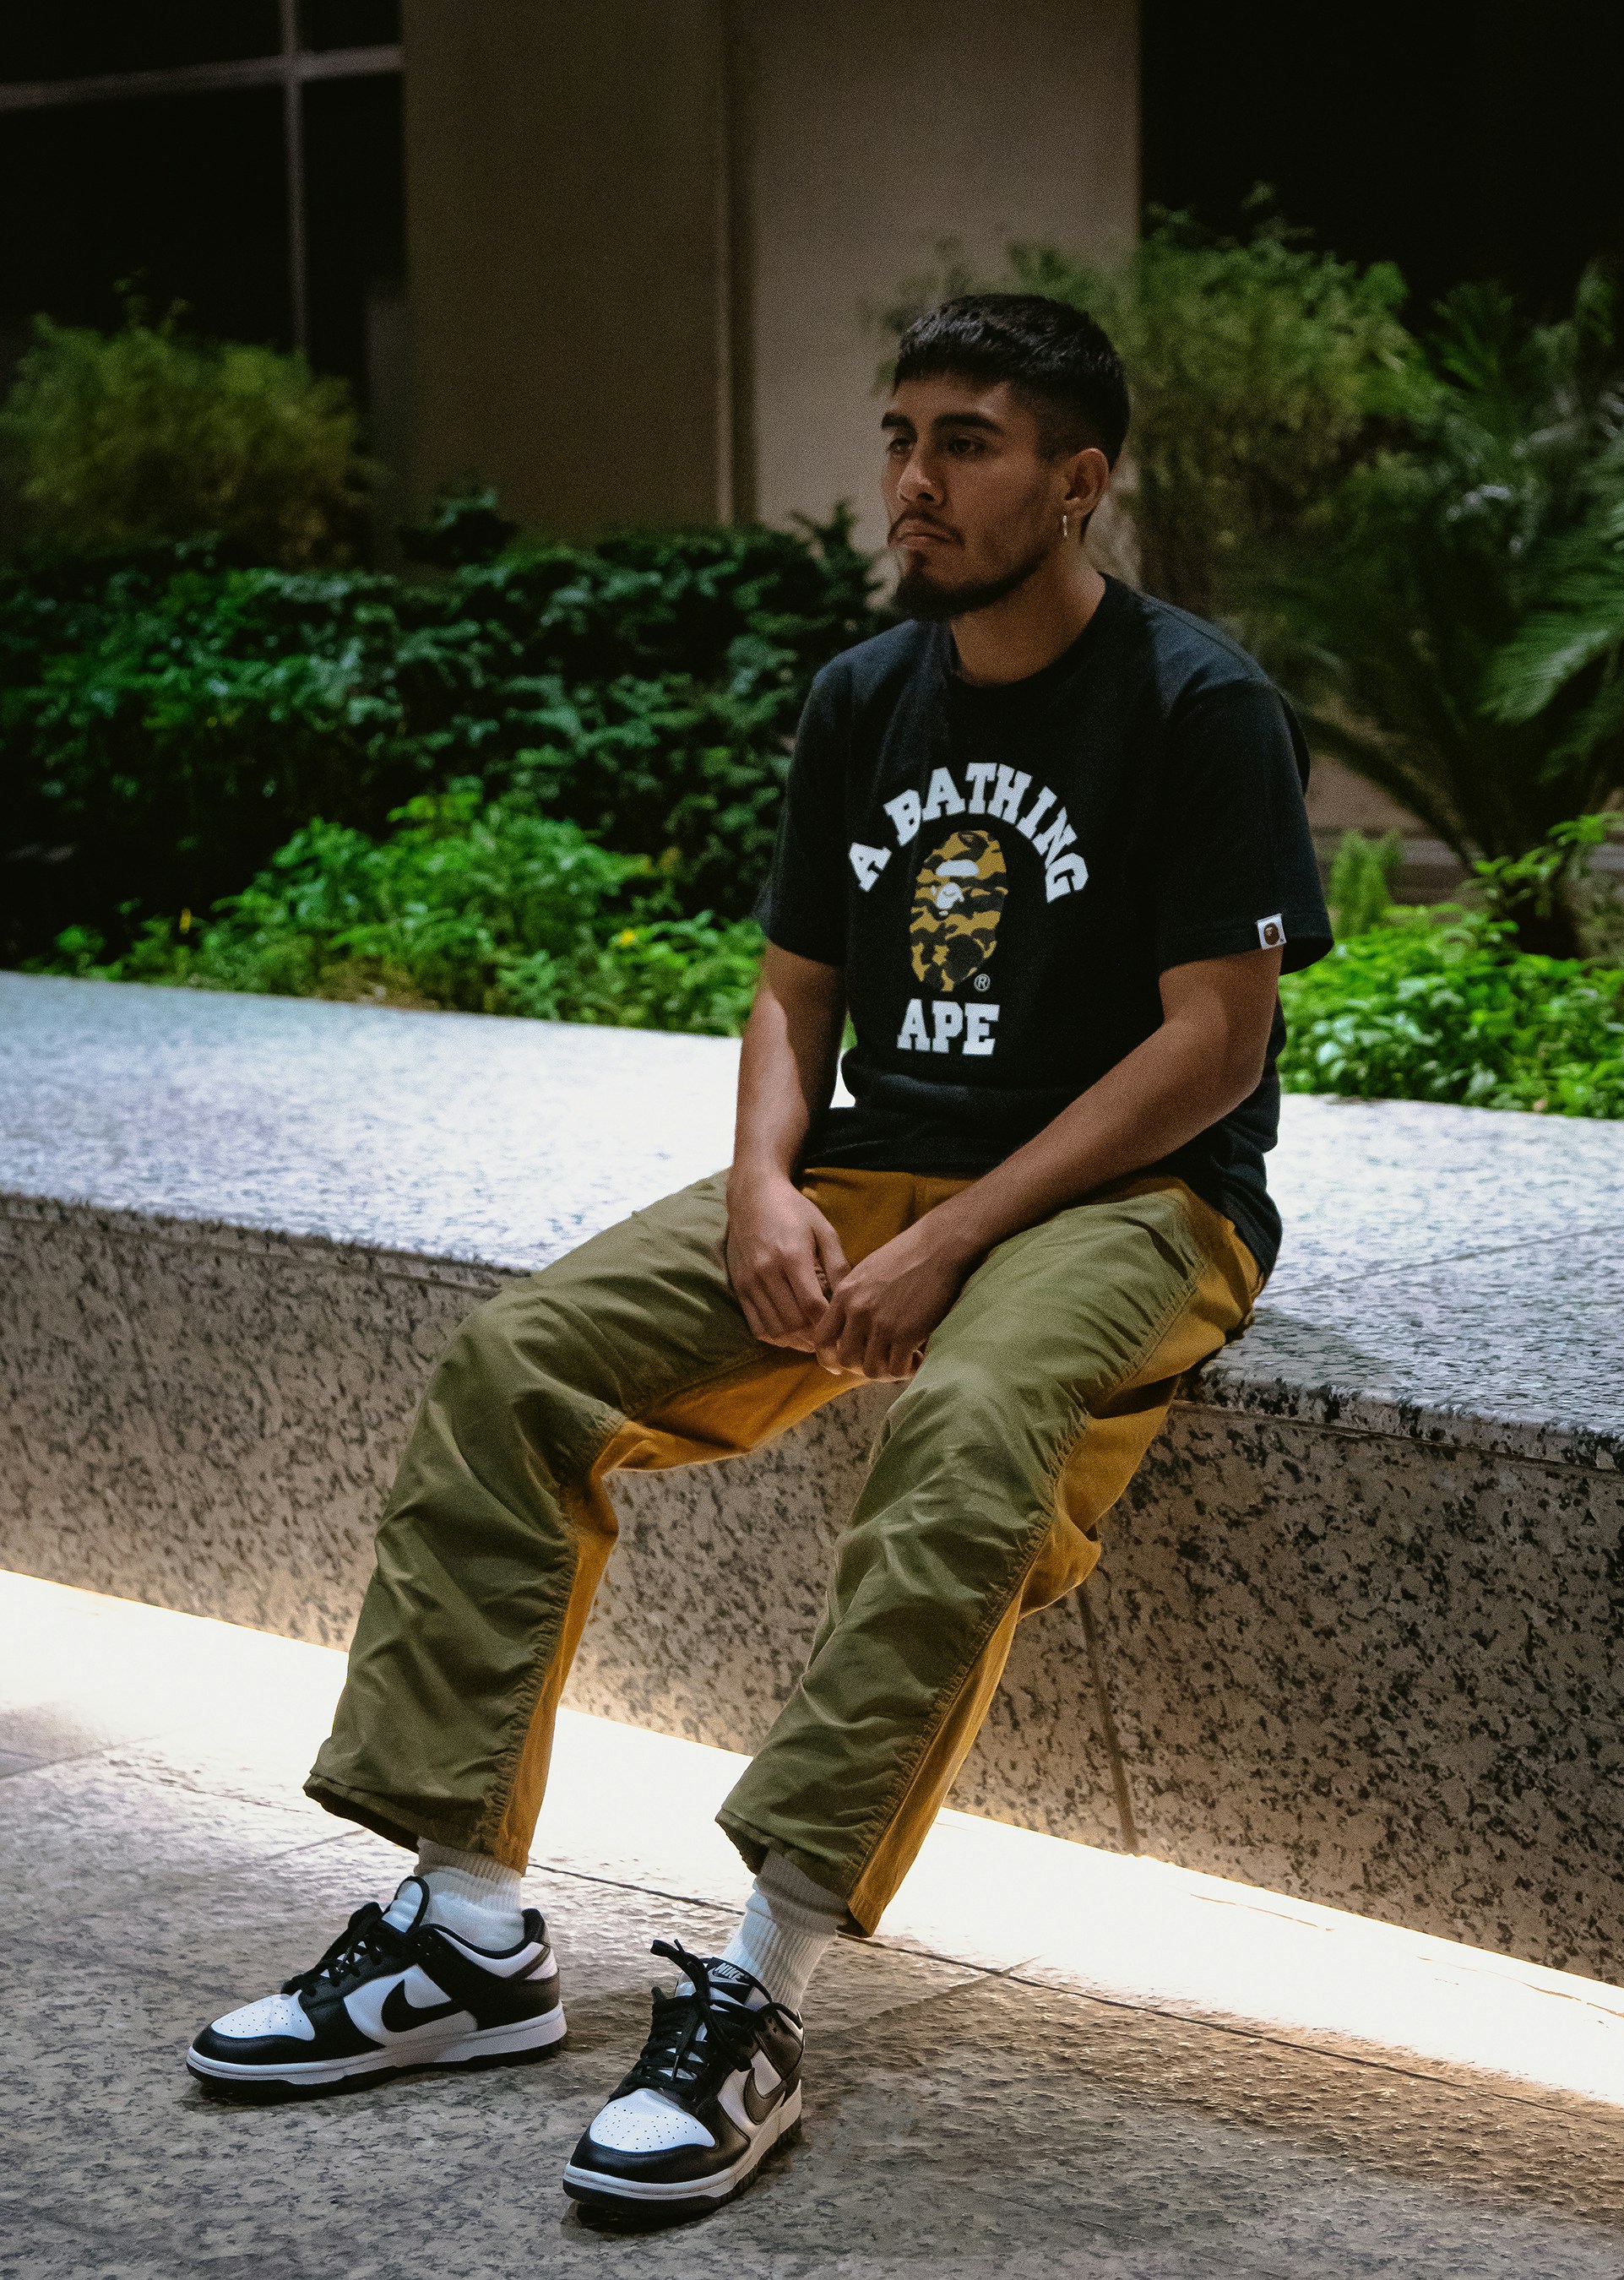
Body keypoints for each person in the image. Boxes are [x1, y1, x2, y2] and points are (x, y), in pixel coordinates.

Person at [185, 294, 1332, 2221]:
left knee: (968, 1426)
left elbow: (1214, 1044)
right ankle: (465, 1931)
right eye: (900, 435)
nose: (913, 481)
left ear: (1078, 481)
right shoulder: (865, 696)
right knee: (520, 1363)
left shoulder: (1195, 704)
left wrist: (955, 1239)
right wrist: (758, 1187)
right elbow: (797, 988)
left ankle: (760, 1990)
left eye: (965, 441)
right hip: (875, 1168)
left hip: (1139, 1199)